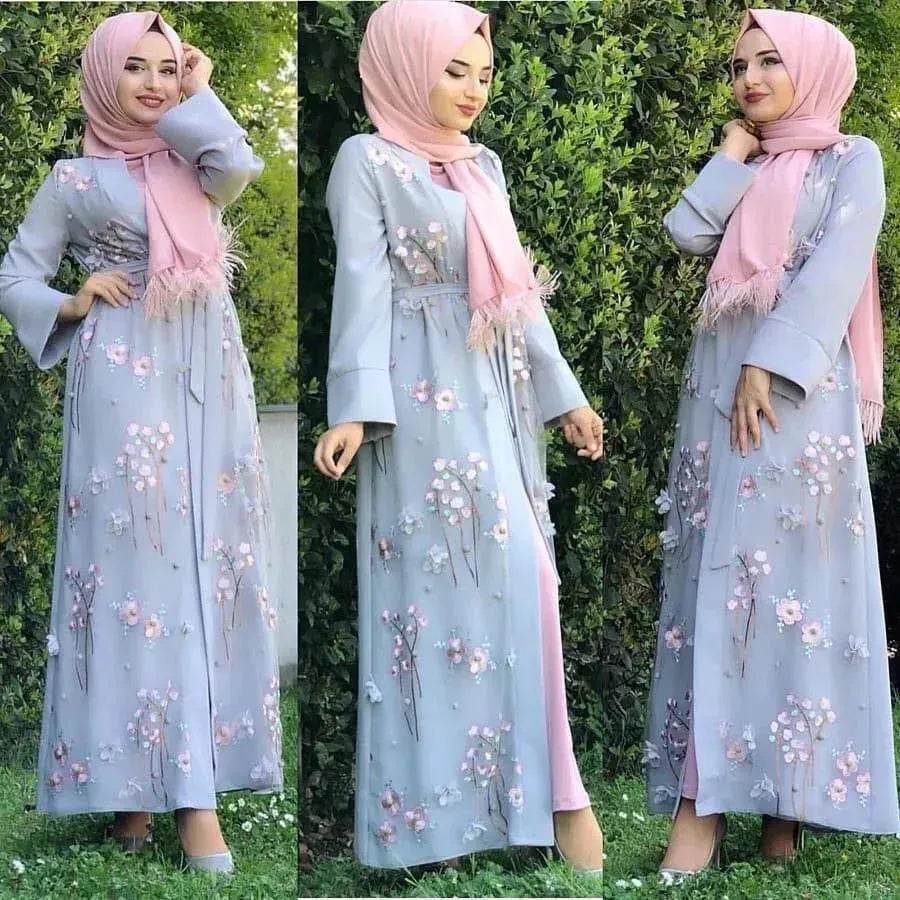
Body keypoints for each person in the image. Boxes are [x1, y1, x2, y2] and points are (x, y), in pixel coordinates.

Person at [313, 0, 605, 873]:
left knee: (526, 582)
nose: (474, 90)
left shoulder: (483, 166)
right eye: (454, 70)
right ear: (407, 66)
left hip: (497, 394)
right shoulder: (367, 160)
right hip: (419, 405)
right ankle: (433, 829)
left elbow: (514, 294)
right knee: (433, 603)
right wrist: (353, 408)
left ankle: (549, 798)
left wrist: (563, 395)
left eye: (483, 74)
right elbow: (362, 289)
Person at [0, 11, 283, 875]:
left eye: (168, 67)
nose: (155, 82)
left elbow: (239, 167)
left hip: (208, 369)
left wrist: (202, 92)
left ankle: (161, 789)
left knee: (205, 558)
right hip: (123, 376)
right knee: (136, 566)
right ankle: (170, 793)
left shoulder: (193, 159)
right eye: (136, 67)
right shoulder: (72, 179)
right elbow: (15, 272)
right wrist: (73, 299)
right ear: (101, 77)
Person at [644, 8, 900, 880]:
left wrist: (770, 362)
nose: (749, 78)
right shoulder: (749, 164)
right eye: (738, 66)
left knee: (788, 589)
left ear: (816, 70)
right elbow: (687, 233)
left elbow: (837, 268)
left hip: (798, 395)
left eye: (769, 62)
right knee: (720, 574)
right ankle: (712, 801)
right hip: (719, 388)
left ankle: (779, 804)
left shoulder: (852, 159)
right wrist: (730, 156)